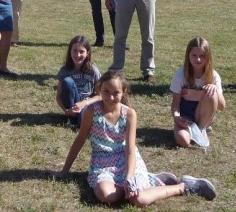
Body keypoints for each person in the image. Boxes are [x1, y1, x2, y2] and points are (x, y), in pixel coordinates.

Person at [50, 71, 217, 207]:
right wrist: (64, 170)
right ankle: (150, 181)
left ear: (124, 92)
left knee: (139, 200)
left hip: (127, 161)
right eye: (106, 91)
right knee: (105, 195)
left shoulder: (129, 113)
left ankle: (183, 186)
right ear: (99, 89)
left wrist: (129, 177)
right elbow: (79, 140)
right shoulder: (92, 111)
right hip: (102, 164)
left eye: (116, 93)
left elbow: (130, 149)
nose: (110, 97)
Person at [170, 37, 226, 148]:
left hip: (202, 115)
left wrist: (201, 93)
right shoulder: (180, 75)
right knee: (183, 141)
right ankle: (191, 130)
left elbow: (222, 106)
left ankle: (201, 128)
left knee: (212, 92)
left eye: (202, 56)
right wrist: (177, 117)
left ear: (208, 57)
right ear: (188, 56)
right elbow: (175, 104)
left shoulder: (213, 76)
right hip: (186, 117)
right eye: (194, 55)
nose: (198, 60)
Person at [56, 35, 101, 128]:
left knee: (83, 124)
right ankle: (71, 117)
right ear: (70, 52)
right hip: (71, 104)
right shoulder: (65, 70)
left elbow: (100, 96)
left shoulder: (93, 71)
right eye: (75, 51)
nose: (78, 55)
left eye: (81, 52)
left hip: (87, 104)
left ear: (87, 53)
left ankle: (76, 120)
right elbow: (59, 97)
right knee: (68, 81)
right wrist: (66, 111)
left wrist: (84, 103)